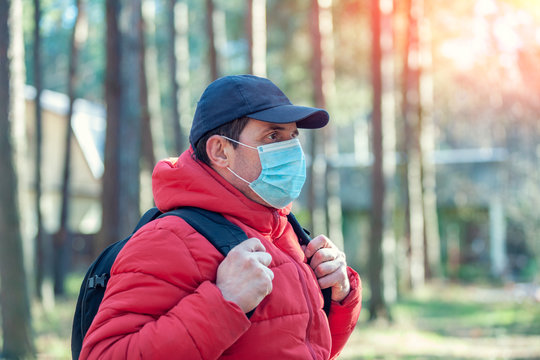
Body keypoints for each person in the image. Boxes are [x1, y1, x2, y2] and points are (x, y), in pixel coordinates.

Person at [80, 74, 362, 359]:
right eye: (273, 136)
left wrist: (338, 295)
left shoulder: (284, 232)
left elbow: (299, 346)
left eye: (292, 137)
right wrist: (224, 302)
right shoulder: (169, 238)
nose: (291, 150)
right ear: (220, 151)